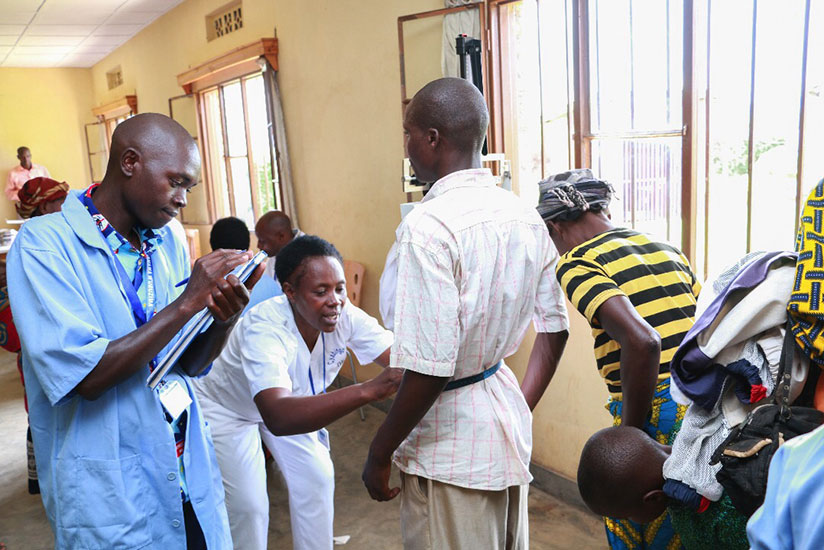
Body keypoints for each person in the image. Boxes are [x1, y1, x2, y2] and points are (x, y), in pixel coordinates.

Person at [7, 113, 263, 549]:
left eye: (190, 187)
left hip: (183, 468)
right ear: (130, 162)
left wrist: (223, 317)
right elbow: (85, 377)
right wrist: (186, 304)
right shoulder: (43, 245)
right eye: (176, 181)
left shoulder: (166, 239)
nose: (183, 199)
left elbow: (188, 363)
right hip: (112, 490)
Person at [361, 77, 569, 549]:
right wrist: (518, 406)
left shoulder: (428, 228)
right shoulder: (524, 216)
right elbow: (554, 330)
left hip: (448, 451)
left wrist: (380, 450)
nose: (408, 147)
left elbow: (430, 369)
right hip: (503, 420)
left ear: (433, 138)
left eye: (409, 135)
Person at [193, 235, 401, 550]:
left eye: (340, 288)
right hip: (228, 409)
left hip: (293, 406)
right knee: (249, 507)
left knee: (317, 478)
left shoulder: (344, 315)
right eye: (321, 291)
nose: (335, 300)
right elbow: (277, 416)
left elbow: (399, 359)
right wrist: (369, 390)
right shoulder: (265, 328)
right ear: (290, 292)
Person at [536, 168, 700, 549]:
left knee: (632, 526)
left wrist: (629, 435)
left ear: (556, 226)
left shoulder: (578, 261)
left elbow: (642, 342)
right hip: (698, 405)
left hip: (652, 410)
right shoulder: (664, 247)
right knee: (686, 527)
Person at [578, 426, 749, 550]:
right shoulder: (684, 431)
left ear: (654, 498)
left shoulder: (719, 513)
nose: (631, 520)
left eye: (627, 516)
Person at [6, 176, 71, 496]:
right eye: (60, 202)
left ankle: (42, 478)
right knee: (44, 411)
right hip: (40, 350)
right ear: (45, 206)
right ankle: (44, 479)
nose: (65, 207)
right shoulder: (30, 247)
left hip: (51, 345)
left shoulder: (53, 241)